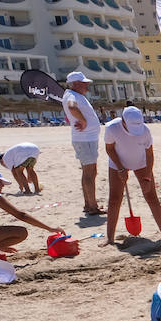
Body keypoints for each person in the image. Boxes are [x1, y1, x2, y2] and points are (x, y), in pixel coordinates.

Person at [0, 166, 63, 266]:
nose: (2, 185)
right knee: (21, 232)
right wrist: (49, 228)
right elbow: (21, 215)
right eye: (0, 182)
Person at [103, 105, 161, 243]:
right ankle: (109, 239)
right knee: (114, 199)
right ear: (123, 121)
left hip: (141, 163)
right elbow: (109, 149)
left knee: (151, 196)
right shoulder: (112, 128)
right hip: (117, 163)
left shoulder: (145, 131)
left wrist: (148, 177)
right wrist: (120, 168)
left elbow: (150, 154)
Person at [61, 71, 102, 216]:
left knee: (89, 172)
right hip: (85, 139)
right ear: (77, 84)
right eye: (84, 83)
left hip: (86, 139)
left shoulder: (74, 95)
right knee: (90, 173)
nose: (87, 86)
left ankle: (88, 204)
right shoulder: (71, 96)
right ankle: (92, 206)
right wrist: (83, 121)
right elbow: (72, 107)